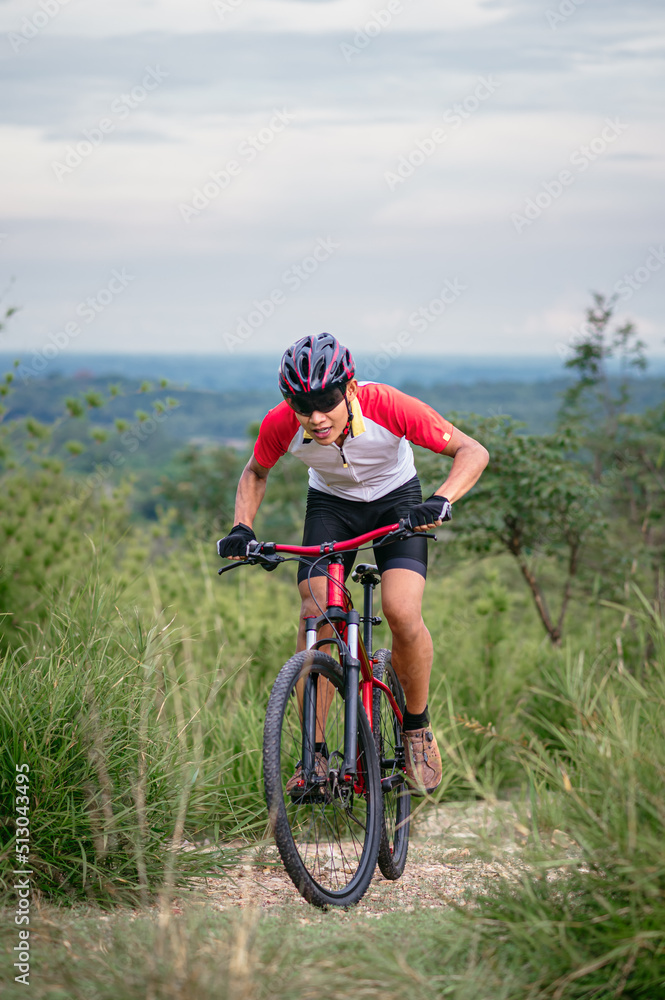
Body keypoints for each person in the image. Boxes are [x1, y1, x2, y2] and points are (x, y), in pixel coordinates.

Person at [217, 333, 489, 794]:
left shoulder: (389, 405)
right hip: (332, 506)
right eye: (304, 406)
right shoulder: (282, 423)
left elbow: (472, 451)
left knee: (401, 611)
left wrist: (442, 499)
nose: (317, 417)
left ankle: (417, 726)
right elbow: (255, 472)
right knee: (317, 611)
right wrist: (242, 527)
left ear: (351, 389)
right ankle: (316, 756)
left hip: (397, 502)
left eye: (327, 401)